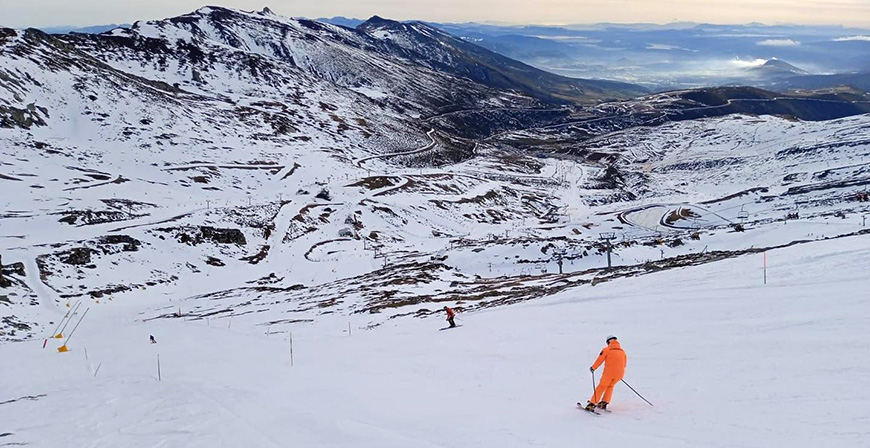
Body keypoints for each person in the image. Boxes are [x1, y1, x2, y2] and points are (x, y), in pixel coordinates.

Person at [584, 335, 626, 411]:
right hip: (619, 374)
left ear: (608, 342)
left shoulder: (607, 350)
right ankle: (604, 402)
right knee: (610, 386)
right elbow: (624, 364)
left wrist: (593, 368)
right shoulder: (622, 352)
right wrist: (618, 373)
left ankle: (592, 404)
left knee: (601, 387)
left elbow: (599, 360)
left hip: (609, 374)